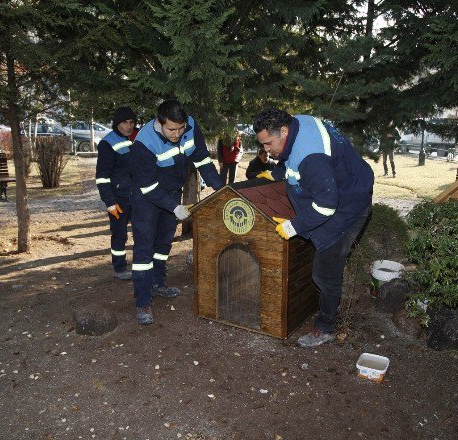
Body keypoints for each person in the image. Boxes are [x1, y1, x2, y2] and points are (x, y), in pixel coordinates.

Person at [253, 108, 374, 348]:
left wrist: (295, 226)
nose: (266, 150)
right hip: (339, 187)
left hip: (347, 207)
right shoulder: (297, 123)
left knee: (325, 272)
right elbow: (290, 156)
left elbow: (327, 206)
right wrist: (277, 172)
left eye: (268, 144)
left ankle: (325, 327)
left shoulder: (312, 158)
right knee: (317, 251)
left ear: (284, 131)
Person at [130, 99, 223, 325]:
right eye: (171, 129)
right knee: (144, 249)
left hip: (171, 192)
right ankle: (143, 302)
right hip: (146, 198)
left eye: (180, 128)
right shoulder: (144, 142)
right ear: (159, 122)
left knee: (163, 245)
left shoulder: (190, 126)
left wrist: (221, 189)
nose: (177, 133)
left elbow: (201, 158)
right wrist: (175, 207)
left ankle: (158, 284)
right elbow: (148, 187)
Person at [95, 106, 137, 281]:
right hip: (118, 199)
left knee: (142, 232)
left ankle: (141, 264)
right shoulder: (108, 143)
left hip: (137, 196)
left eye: (131, 122)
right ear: (117, 124)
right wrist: (110, 202)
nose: (128, 126)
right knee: (119, 234)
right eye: (124, 123)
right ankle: (119, 267)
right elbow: (102, 177)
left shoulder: (137, 139)